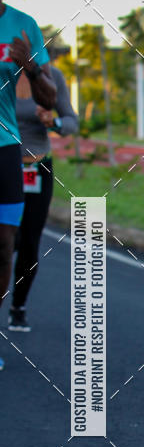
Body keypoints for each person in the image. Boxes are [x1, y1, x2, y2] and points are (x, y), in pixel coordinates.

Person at [0, 0, 56, 369]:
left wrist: (31, 68)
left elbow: (50, 96)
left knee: (6, 246)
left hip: (6, 150)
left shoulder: (23, 28)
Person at [8, 50, 78, 331]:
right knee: (6, 239)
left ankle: (18, 306)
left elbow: (71, 122)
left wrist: (54, 122)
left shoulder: (52, 77)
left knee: (29, 242)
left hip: (37, 168)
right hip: (4, 166)